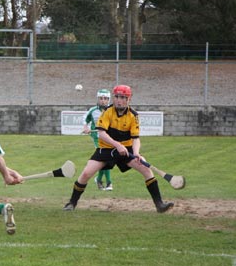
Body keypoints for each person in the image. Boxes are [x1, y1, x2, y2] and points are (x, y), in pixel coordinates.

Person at [63, 85, 174, 213]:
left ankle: (159, 204)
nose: (118, 100)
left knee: (146, 169)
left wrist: (136, 153)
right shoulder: (107, 112)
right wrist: (117, 145)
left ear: (128, 99)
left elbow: (136, 138)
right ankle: (71, 203)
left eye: (122, 97)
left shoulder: (134, 115)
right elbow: (102, 134)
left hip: (126, 149)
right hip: (106, 149)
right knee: (86, 174)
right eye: (116, 97)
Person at [82, 89, 114, 191]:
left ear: (109, 99)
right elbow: (85, 119)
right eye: (101, 98)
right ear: (98, 99)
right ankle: (109, 183)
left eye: (105, 99)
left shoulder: (112, 110)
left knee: (103, 160)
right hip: (97, 138)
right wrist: (86, 128)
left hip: (109, 138)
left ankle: (99, 179)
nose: (103, 101)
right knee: (106, 158)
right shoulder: (93, 111)